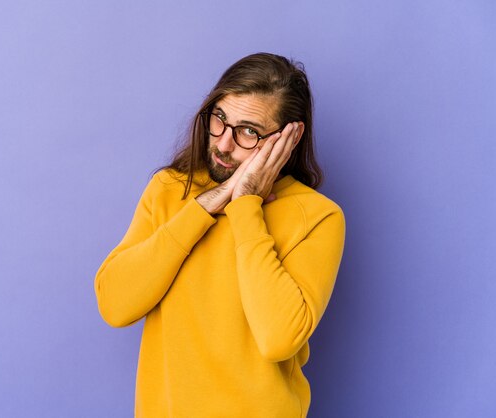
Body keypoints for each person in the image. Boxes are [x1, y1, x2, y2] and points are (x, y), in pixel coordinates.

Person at [94, 52, 345, 418]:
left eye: (249, 132)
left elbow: (278, 339)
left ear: (289, 138)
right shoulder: (170, 190)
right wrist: (199, 210)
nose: (224, 145)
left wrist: (245, 206)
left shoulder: (318, 217)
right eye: (220, 120)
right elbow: (115, 306)